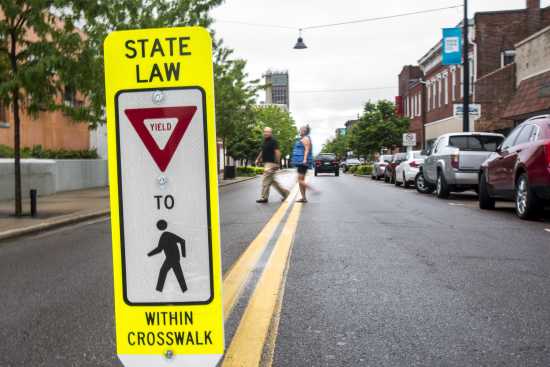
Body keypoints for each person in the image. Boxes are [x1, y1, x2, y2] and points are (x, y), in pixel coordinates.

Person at [148, 219, 187, 293]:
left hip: (171, 258)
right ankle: (184, 289)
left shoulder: (165, 235)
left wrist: (184, 255)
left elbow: (182, 241)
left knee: (164, 271)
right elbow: (160, 249)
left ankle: (158, 291)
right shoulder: (165, 235)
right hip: (172, 258)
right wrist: (149, 254)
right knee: (177, 274)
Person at [255, 127, 290, 203]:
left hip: (271, 163)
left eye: (268, 132)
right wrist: (258, 159)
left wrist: (277, 163)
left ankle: (264, 197)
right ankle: (285, 193)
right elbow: (262, 151)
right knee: (273, 182)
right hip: (266, 163)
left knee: (265, 179)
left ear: (271, 133)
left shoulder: (273, 141)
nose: (266, 133)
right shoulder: (264, 141)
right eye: (265, 132)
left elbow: (277, 152)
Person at [291, 125, 313, 203]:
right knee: (301, 180)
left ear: (305, 131)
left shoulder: (306, 139)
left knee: (299, 180)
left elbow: (307, 150)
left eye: (302, 130)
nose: (300, 131)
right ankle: (303, 197)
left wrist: (304, 159)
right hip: (300, 161)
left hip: (302, 162)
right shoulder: (302, 138)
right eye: (300, 129)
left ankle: (312, 189)